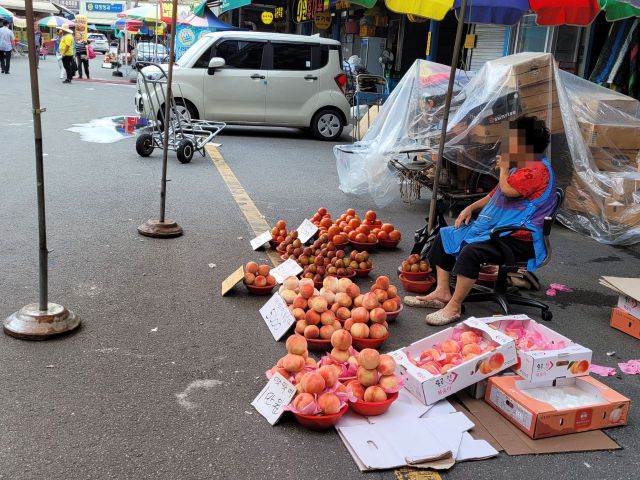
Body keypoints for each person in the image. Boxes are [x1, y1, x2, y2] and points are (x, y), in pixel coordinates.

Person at [404, 116, 557, 326]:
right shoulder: (521, 166)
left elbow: (507, 190)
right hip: (502, 231)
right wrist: (470, 207)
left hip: (520, 238)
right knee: (446, 234)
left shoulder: (537, 170)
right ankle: (442, 293)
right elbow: (492, 196)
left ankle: (455, 305)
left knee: (472, 250)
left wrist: (503, 168)